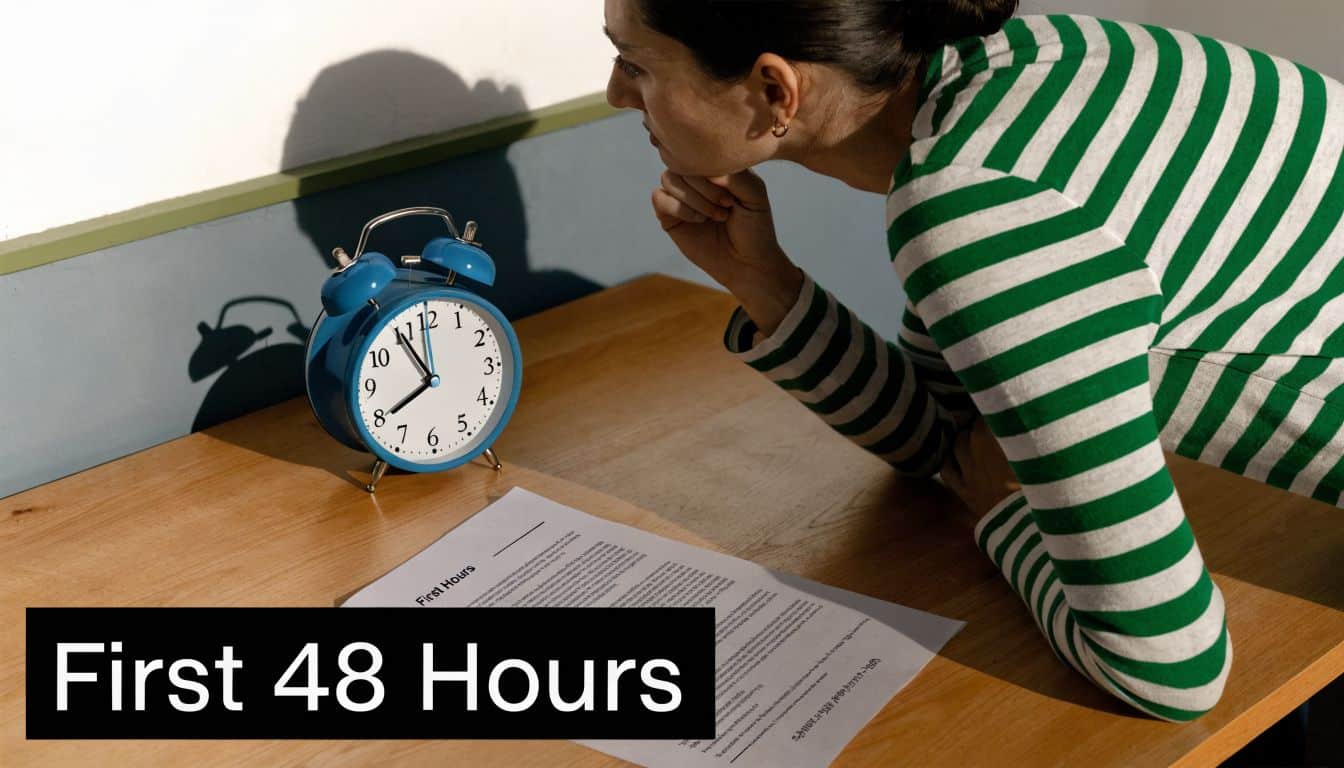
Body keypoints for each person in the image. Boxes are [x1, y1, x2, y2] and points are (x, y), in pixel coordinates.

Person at [602, 0, 1344, 723]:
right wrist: (767, 285)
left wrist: (997, 508)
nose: (614, 93)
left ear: (774, 91)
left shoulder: (979, 206)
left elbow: (1172, 671)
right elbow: (947, 429)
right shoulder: (1028, 66)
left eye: (634, 63)